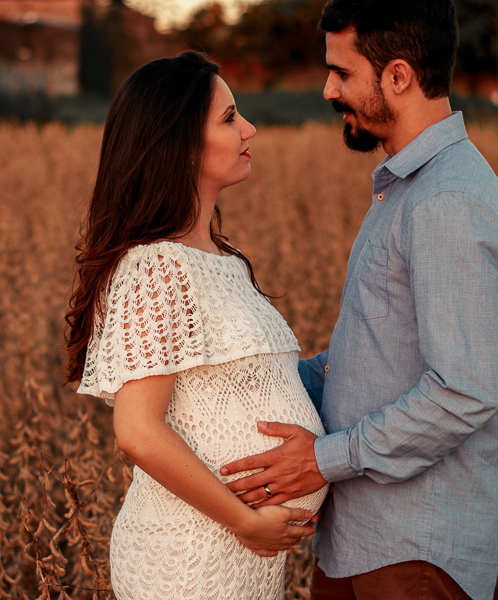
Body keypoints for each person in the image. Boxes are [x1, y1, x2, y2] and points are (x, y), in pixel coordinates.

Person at [219, 2, 498, 599]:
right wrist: (244, 380)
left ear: (399, 77)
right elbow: (377, 354)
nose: (329, 89)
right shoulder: (407, 189)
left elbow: (465, 391)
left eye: (343, 73)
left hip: (414, 550)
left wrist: (325, 459)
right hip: (359, 538)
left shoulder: (447, 201)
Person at [65, 51, 328, 599]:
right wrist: (242, 519)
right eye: (229, 118)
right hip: (189, 557)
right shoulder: (155, 267)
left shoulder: (223, 260)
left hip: (238, 556)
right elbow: (137, 431)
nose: (248, 129)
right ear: (180, 143)